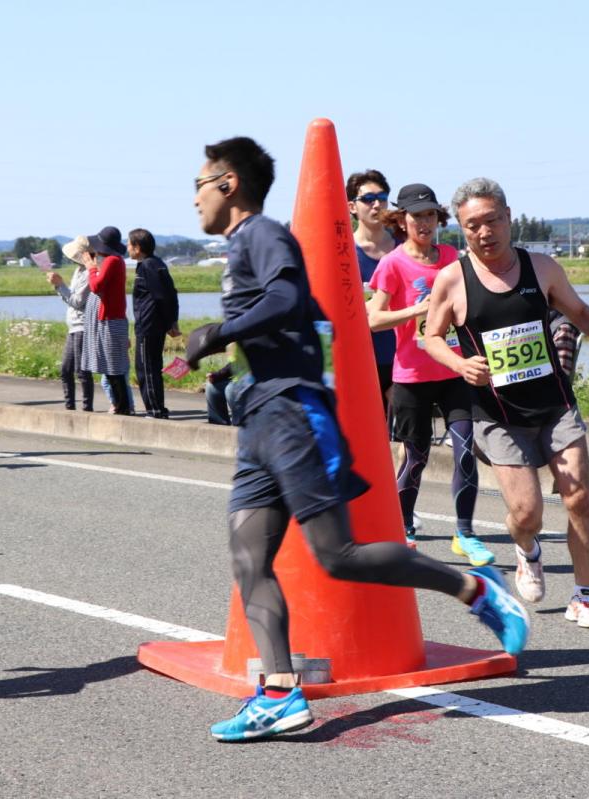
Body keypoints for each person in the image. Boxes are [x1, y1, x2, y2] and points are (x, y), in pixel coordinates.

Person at [182, 137, 528, 743]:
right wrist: (233, 366)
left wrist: (220, 331)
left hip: (292, 417)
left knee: (336, 555)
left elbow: (290, 297)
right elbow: (301, 318)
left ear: (228, 184)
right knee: (248, 558)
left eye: (199, 185)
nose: (194, 201)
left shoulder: (262, 233)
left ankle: (477, 590)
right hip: (261, 420)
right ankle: (279, 695)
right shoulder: (241, 245)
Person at [423, 177, 589, 628]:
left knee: (579, 497)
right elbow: (430, 337)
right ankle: (527, 550)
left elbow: (581, 314)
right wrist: (458, 363)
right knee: (527, 513)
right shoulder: (452, 279)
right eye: (473, 226)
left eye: (492, 221)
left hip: (554, 404)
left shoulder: (541, 268)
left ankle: (583, 597)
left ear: (508, 218)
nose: (485, 232)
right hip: (497, 415)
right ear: (462, 231)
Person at [367, 183, 487, 563]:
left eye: (430, 215)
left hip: (454, 371)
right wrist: (419, 311)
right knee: (415, 457)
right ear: (401, 220)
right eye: (416, 215)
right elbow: (373, 319)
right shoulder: (392, 264)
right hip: (411, 378)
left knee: (466, 450)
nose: (424, 222)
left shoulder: (452, 256)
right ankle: (404, 528)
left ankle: (465, 533)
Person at [346, 169, 397, 410]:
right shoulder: (343, 253)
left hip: (403, 360)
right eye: (367, 199)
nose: (376, 204)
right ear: (352, 207)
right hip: (360, 362)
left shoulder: (405, 247)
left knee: (403, 444)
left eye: (382, 197)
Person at [129, 228, 181, 418]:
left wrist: (170, 323)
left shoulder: (147, 266)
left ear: (138, 247)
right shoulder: (156, 263)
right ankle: (157, 408)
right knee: (151, 367)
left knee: (146, 368)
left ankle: (155, 410)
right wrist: (172, 320)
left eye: (129, 244)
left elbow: (162, 296)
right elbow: (171, 294)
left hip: (149, 325)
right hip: (154, 325)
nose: (127, 248)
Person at [81, 226, 132, 415]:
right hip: (111, 319)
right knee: (111, 368)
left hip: (111, 320)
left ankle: (123, 406)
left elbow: (95, 286)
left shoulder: (112, 261)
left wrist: (91, 268)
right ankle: (121, 405)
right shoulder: (114, 260)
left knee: (114, 368)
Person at [48, 236, 95, 411]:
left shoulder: (89, 273)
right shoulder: (79, 270)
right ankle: (69, 407)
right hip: (73, 325)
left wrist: (60, 285)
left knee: (81, 371)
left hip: (82, 325)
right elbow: (71, 298)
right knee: (66, 370)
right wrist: (59, 286)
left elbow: (76, 301)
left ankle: (86, 408)